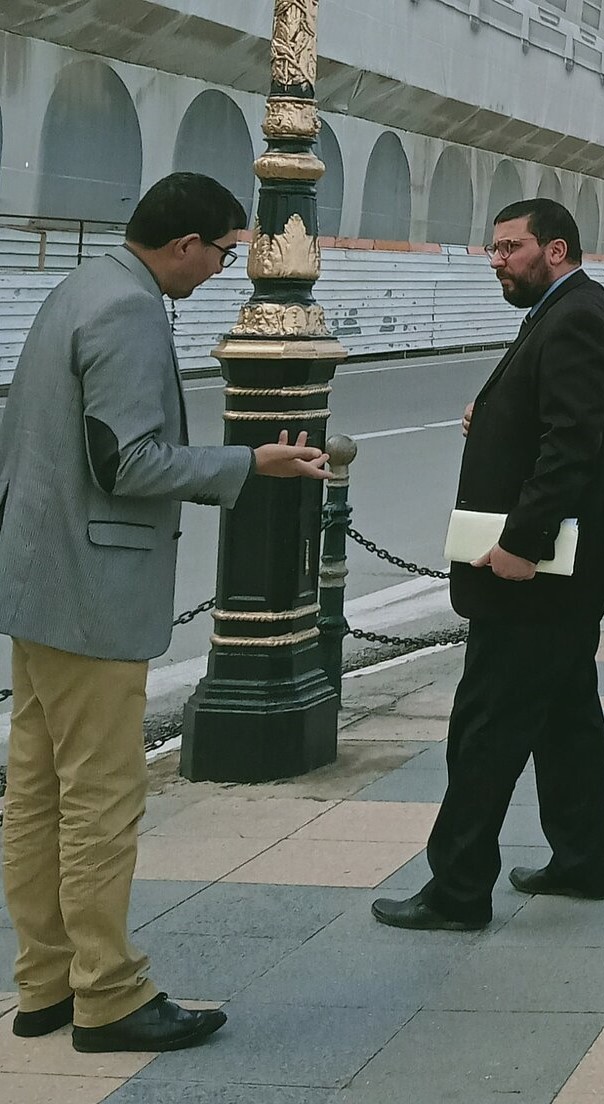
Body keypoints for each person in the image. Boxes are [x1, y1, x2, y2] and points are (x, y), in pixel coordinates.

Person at [0, 172, 329, 1052]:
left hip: (37, 582)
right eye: (223, 253)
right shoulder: (132, 310)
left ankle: (45, 982)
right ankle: (107, 994)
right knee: (100, 800)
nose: (222, 270)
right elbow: (128, 462)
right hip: (93, 593)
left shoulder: (79, 285)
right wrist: (246, 464)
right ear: (184, 245)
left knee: (35, 792)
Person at [371, 197, 604, 932]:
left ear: (554, 250)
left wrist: (521, 543)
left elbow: (570, 445)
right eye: (493, 249)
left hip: (540, 571)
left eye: (509, 248)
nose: (497, 261)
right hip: (563, 571)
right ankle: (583, 859)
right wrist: (489, 417)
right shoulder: (565, 310)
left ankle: (458, 889)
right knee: (564, 718)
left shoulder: (576, 315)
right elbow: (548, 418)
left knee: (486, 725)